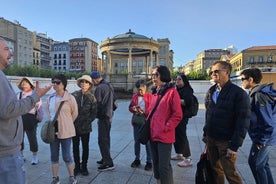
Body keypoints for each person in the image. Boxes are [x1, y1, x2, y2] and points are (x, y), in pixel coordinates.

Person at [0, 37, 51, 184]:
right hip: (6, 152)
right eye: (6, 49)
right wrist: (36, 96)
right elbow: (8, 109)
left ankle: (33, 155)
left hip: (8, 147)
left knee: (32, 139)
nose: (10, 53)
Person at [203, 60, 251, 184]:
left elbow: (243, 121)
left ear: (227, 72)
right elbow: (208, 114)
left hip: (226, 141)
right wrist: (205, 133)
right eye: (212, 72)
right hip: (211, 138)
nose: (213, 74)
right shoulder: (211, 91)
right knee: (216, 170)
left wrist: (234, 146)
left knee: (231, 174)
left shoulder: (238, 94)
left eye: (216, 71)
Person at [240, 68, 276, 184]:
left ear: (250, 80)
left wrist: (261, 140)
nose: (241, 82)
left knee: (255, 164)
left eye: (242, 79)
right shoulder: (259, 92)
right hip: (266, 136)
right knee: (262, 164)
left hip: (264, 137)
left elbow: (267, 121)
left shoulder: (259, 94)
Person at [149, 65, 183, 184]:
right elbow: (153, 112)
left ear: (163, 75)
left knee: (164, 166)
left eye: (156, 75)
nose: (153, 77)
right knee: (156, 164)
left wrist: (166, 127)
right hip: (152, 134)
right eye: (152, 75)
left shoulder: (172, 92)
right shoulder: (154, 92)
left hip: (164, 135)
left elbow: (177, 115)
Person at [46, 74, 78, 184]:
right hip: (52, 132)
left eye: (57, 82)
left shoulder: (70, 98)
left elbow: (74, 114)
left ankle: (72, 176)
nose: (55, 84)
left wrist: (67, 123)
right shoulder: (50, 98)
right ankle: (55, 178)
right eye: (53, 82)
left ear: (63, 84)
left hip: (66, 131)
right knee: (54, 155)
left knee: (67, 155)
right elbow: (49, 114)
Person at [71, 75, 97, 176]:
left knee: (85, 147)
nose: (84, 84)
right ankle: (77, 166)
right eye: (82, 82)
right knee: (75, 147)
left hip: (86, 127)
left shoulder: (92, 97)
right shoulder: (74, 95)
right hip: (74, 126)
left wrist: (87, 121)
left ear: (90, 85)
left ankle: (84, 166)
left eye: (86, 82)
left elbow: (94, 112)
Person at [90, 71, 115, 172]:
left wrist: (93, 115)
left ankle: (108, 163)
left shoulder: (99, 88)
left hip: (103, 116)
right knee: (106, 139)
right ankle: (105, 157)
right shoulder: (109, 85)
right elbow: (114, 100)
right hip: (109, 115)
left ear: (94, 79)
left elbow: (98, 104)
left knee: (102, 140)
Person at [17, 77, 43, 165]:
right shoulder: (19, 94)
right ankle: (21, 155)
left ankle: (35, 156)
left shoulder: (34, 94)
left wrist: (38, 118)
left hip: (31, 118)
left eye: (26, 82)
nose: (24, 83)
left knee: (32, 138)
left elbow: (39, 106)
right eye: (23, 82)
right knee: (20, 138)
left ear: (30, 84)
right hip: (20, 118)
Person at [128, 79, 152, 171]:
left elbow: (152, 110)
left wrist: (144, 112)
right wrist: (133, 108)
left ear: (145, 88)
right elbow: (130, 107)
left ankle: (149, 161)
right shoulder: (134, 97)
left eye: (141, 89)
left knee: (147, 142)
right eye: (138, 89)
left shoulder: (150, 97)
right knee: (136, 141)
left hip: (146, 123)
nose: (140, 91)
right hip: (136, 122)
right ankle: (137, 159)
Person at [171, 74, 193, 167]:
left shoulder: (187, 90)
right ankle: (179, 153)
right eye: (176, 79)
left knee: (182, 135)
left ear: (184, 80)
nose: (177, 80)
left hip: (183, 116)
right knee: (176, 134)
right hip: (176, 115)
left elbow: (187, 102)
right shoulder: (177, 89)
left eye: (179, 79)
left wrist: (175, 100)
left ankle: (187, 158)